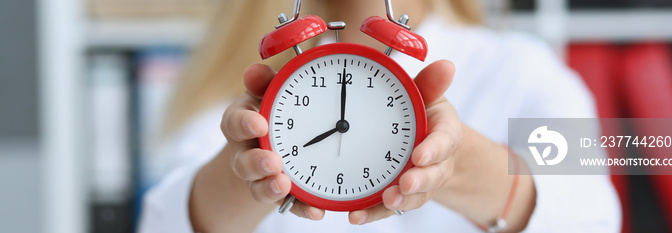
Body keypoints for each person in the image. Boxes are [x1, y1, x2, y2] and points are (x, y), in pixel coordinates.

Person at [138, 0, 621, 232]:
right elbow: (161, 222)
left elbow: (593, 214)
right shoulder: (248, 81)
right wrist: (243, 169)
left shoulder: (525, 67)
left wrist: (459, 163)